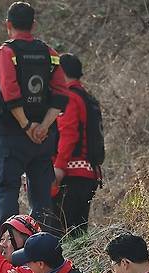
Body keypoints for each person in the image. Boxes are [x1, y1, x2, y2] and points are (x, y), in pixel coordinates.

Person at [0, 2, 68, 233]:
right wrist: (43, 126)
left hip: (13, 135)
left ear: (8, 25)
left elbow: (9, 91)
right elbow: (61, 93)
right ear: (33, 24)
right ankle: (44, 247)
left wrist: (26, 125)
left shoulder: (6, 52)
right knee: (41, 197)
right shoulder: (49, 52)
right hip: (43, 137)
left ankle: (7, 243)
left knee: (7, 190)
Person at [51, 54, 100, 237]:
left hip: (72, 174)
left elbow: (68, 133)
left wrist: (59, 167)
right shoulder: (87, 97)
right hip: (89, 172)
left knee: (63, 232)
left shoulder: (69, 98)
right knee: (79, 232)